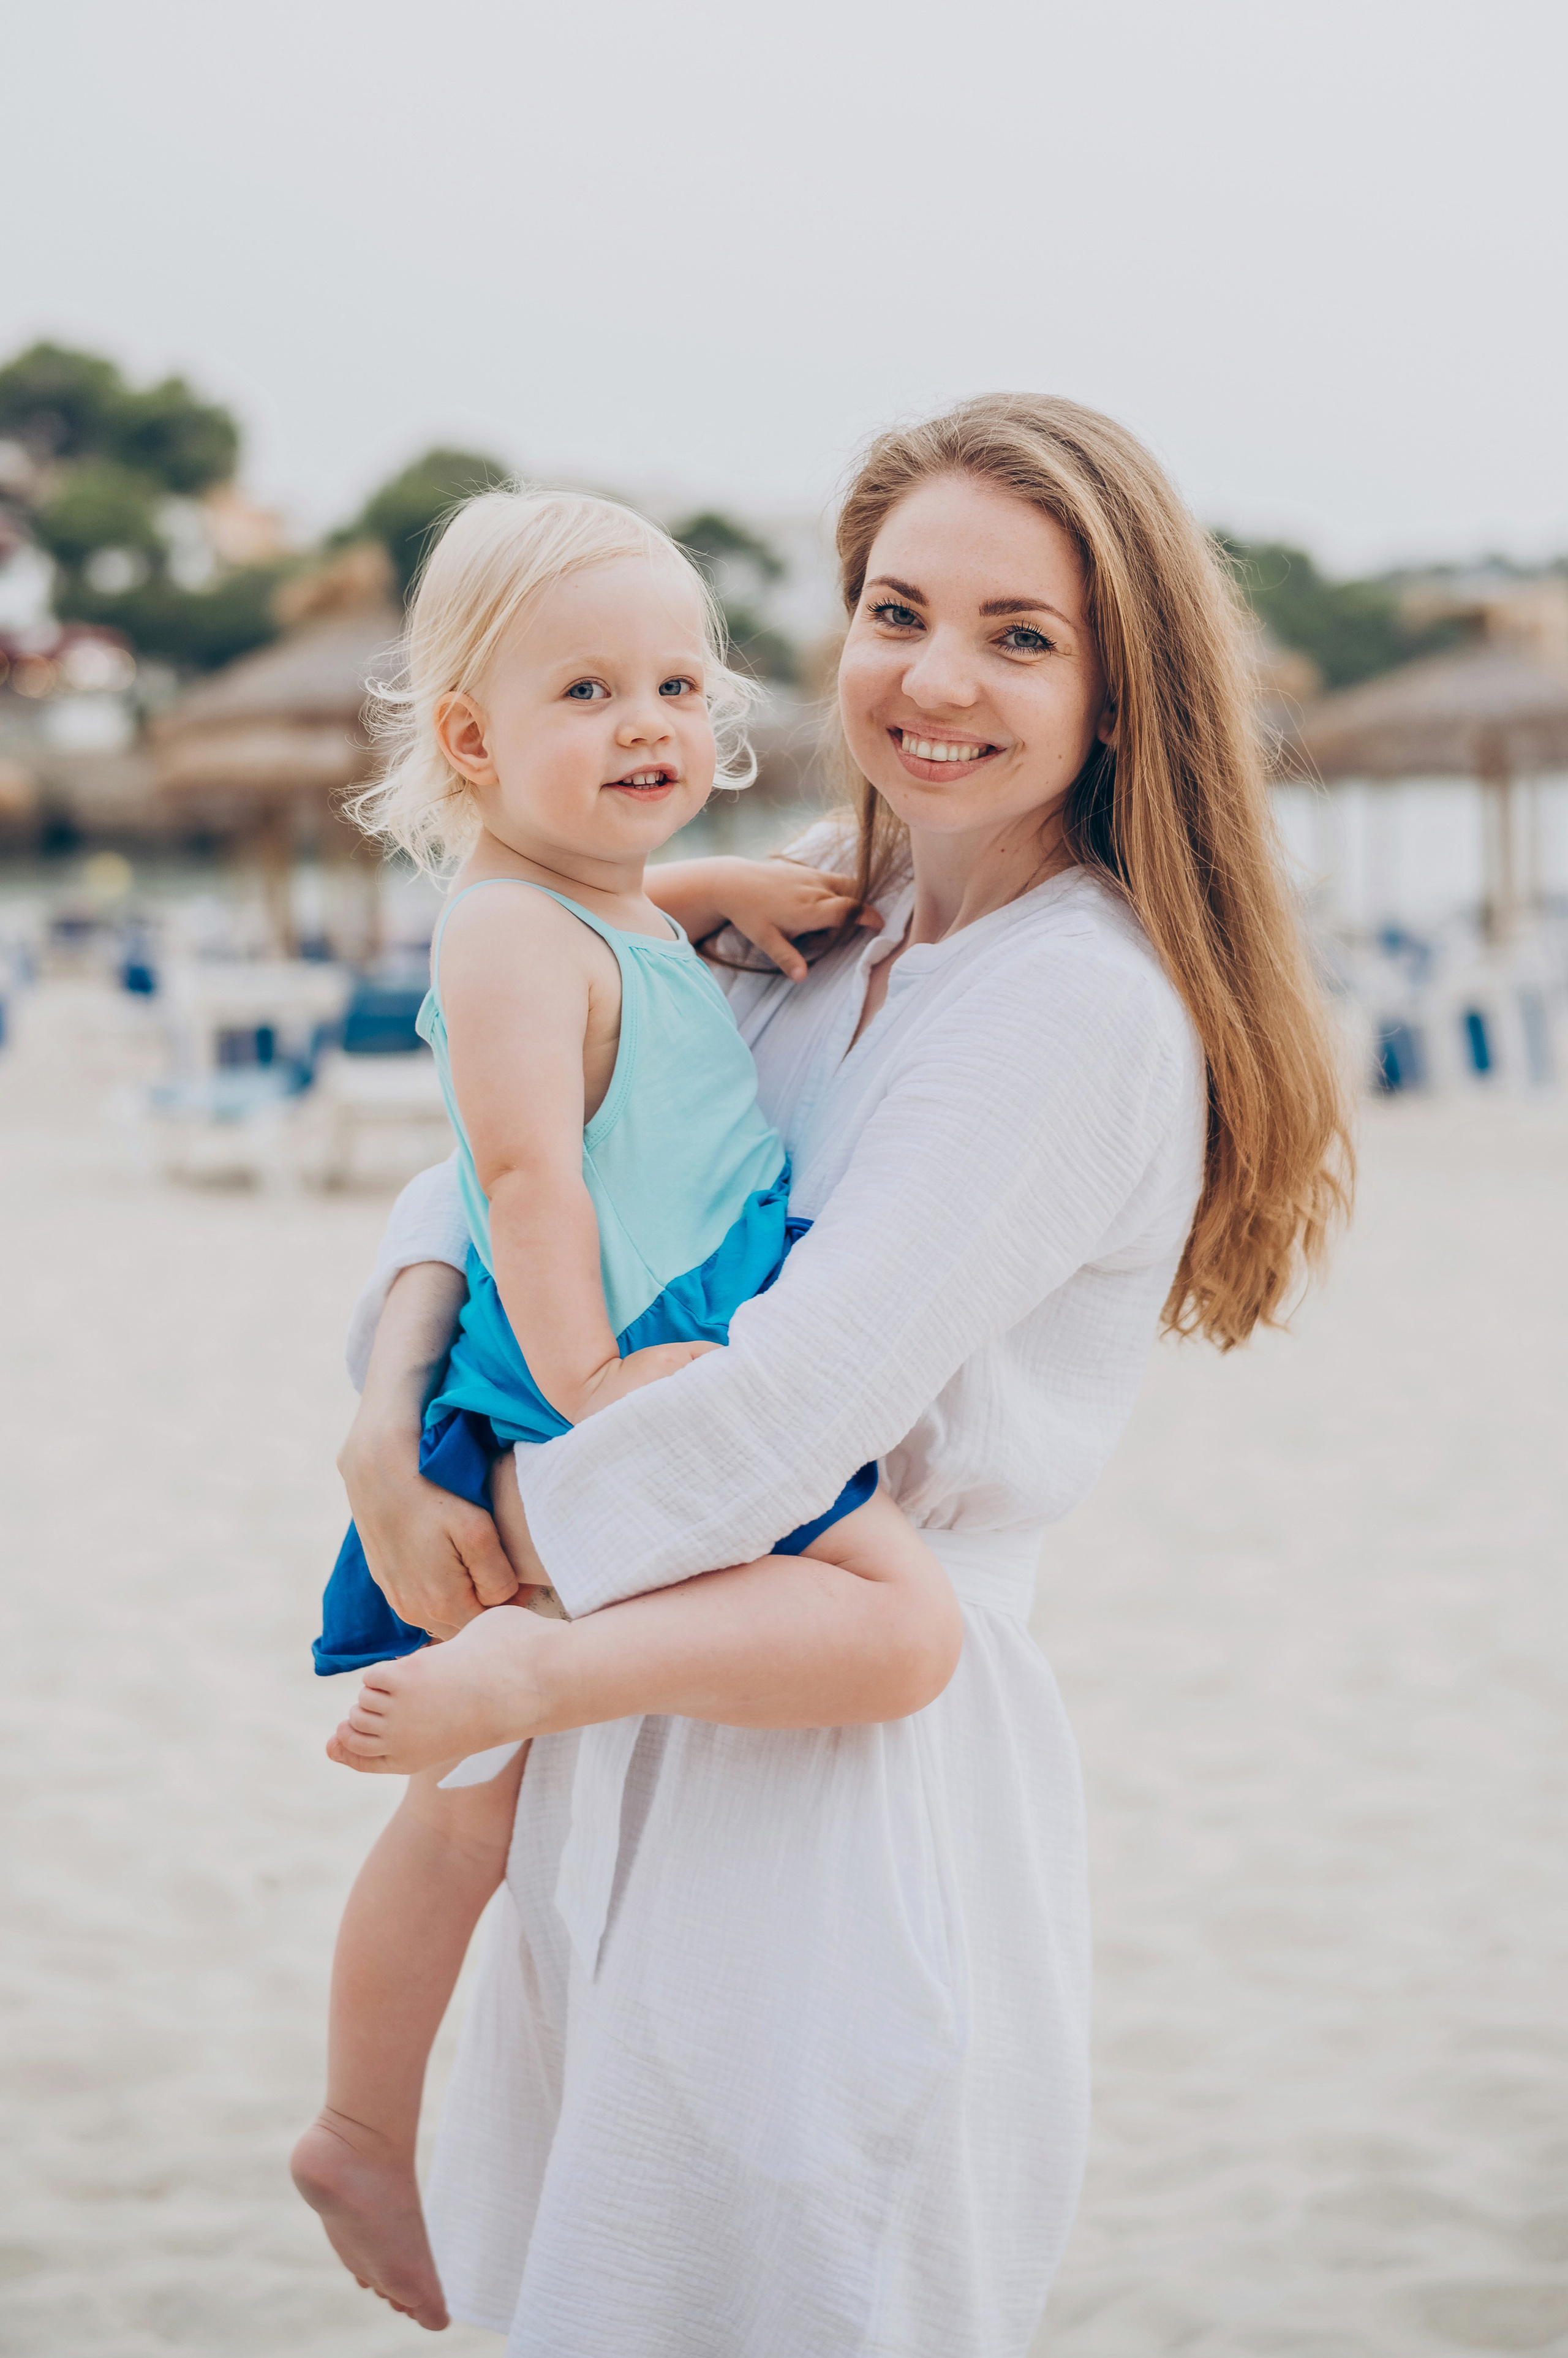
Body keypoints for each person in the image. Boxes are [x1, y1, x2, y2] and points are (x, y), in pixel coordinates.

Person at [312, 393, 1353, 2356]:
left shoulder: (1074, 1007)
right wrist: (384, 1415)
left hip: (843, 1785)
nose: (935, 677)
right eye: (897, 608)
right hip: (613, 1726)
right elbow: (496, 1144)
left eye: (1020, 635)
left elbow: (787, 1415)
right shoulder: (801, 906)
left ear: (1124, 692)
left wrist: (491, 1532)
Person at [293, 486, 957, 2319]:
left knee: (481, 1813)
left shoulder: (585, 897)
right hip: (609, 1358)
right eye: (587, 690)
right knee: (486, 1803)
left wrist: (711, 886)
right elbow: (522, 1174)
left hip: (643, 1333)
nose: (652, 721)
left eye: (678, 678)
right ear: (471, 738)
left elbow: (605, 927)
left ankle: (363, 2117)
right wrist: (594, 1381)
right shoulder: (507, 931)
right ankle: (356, 2120)